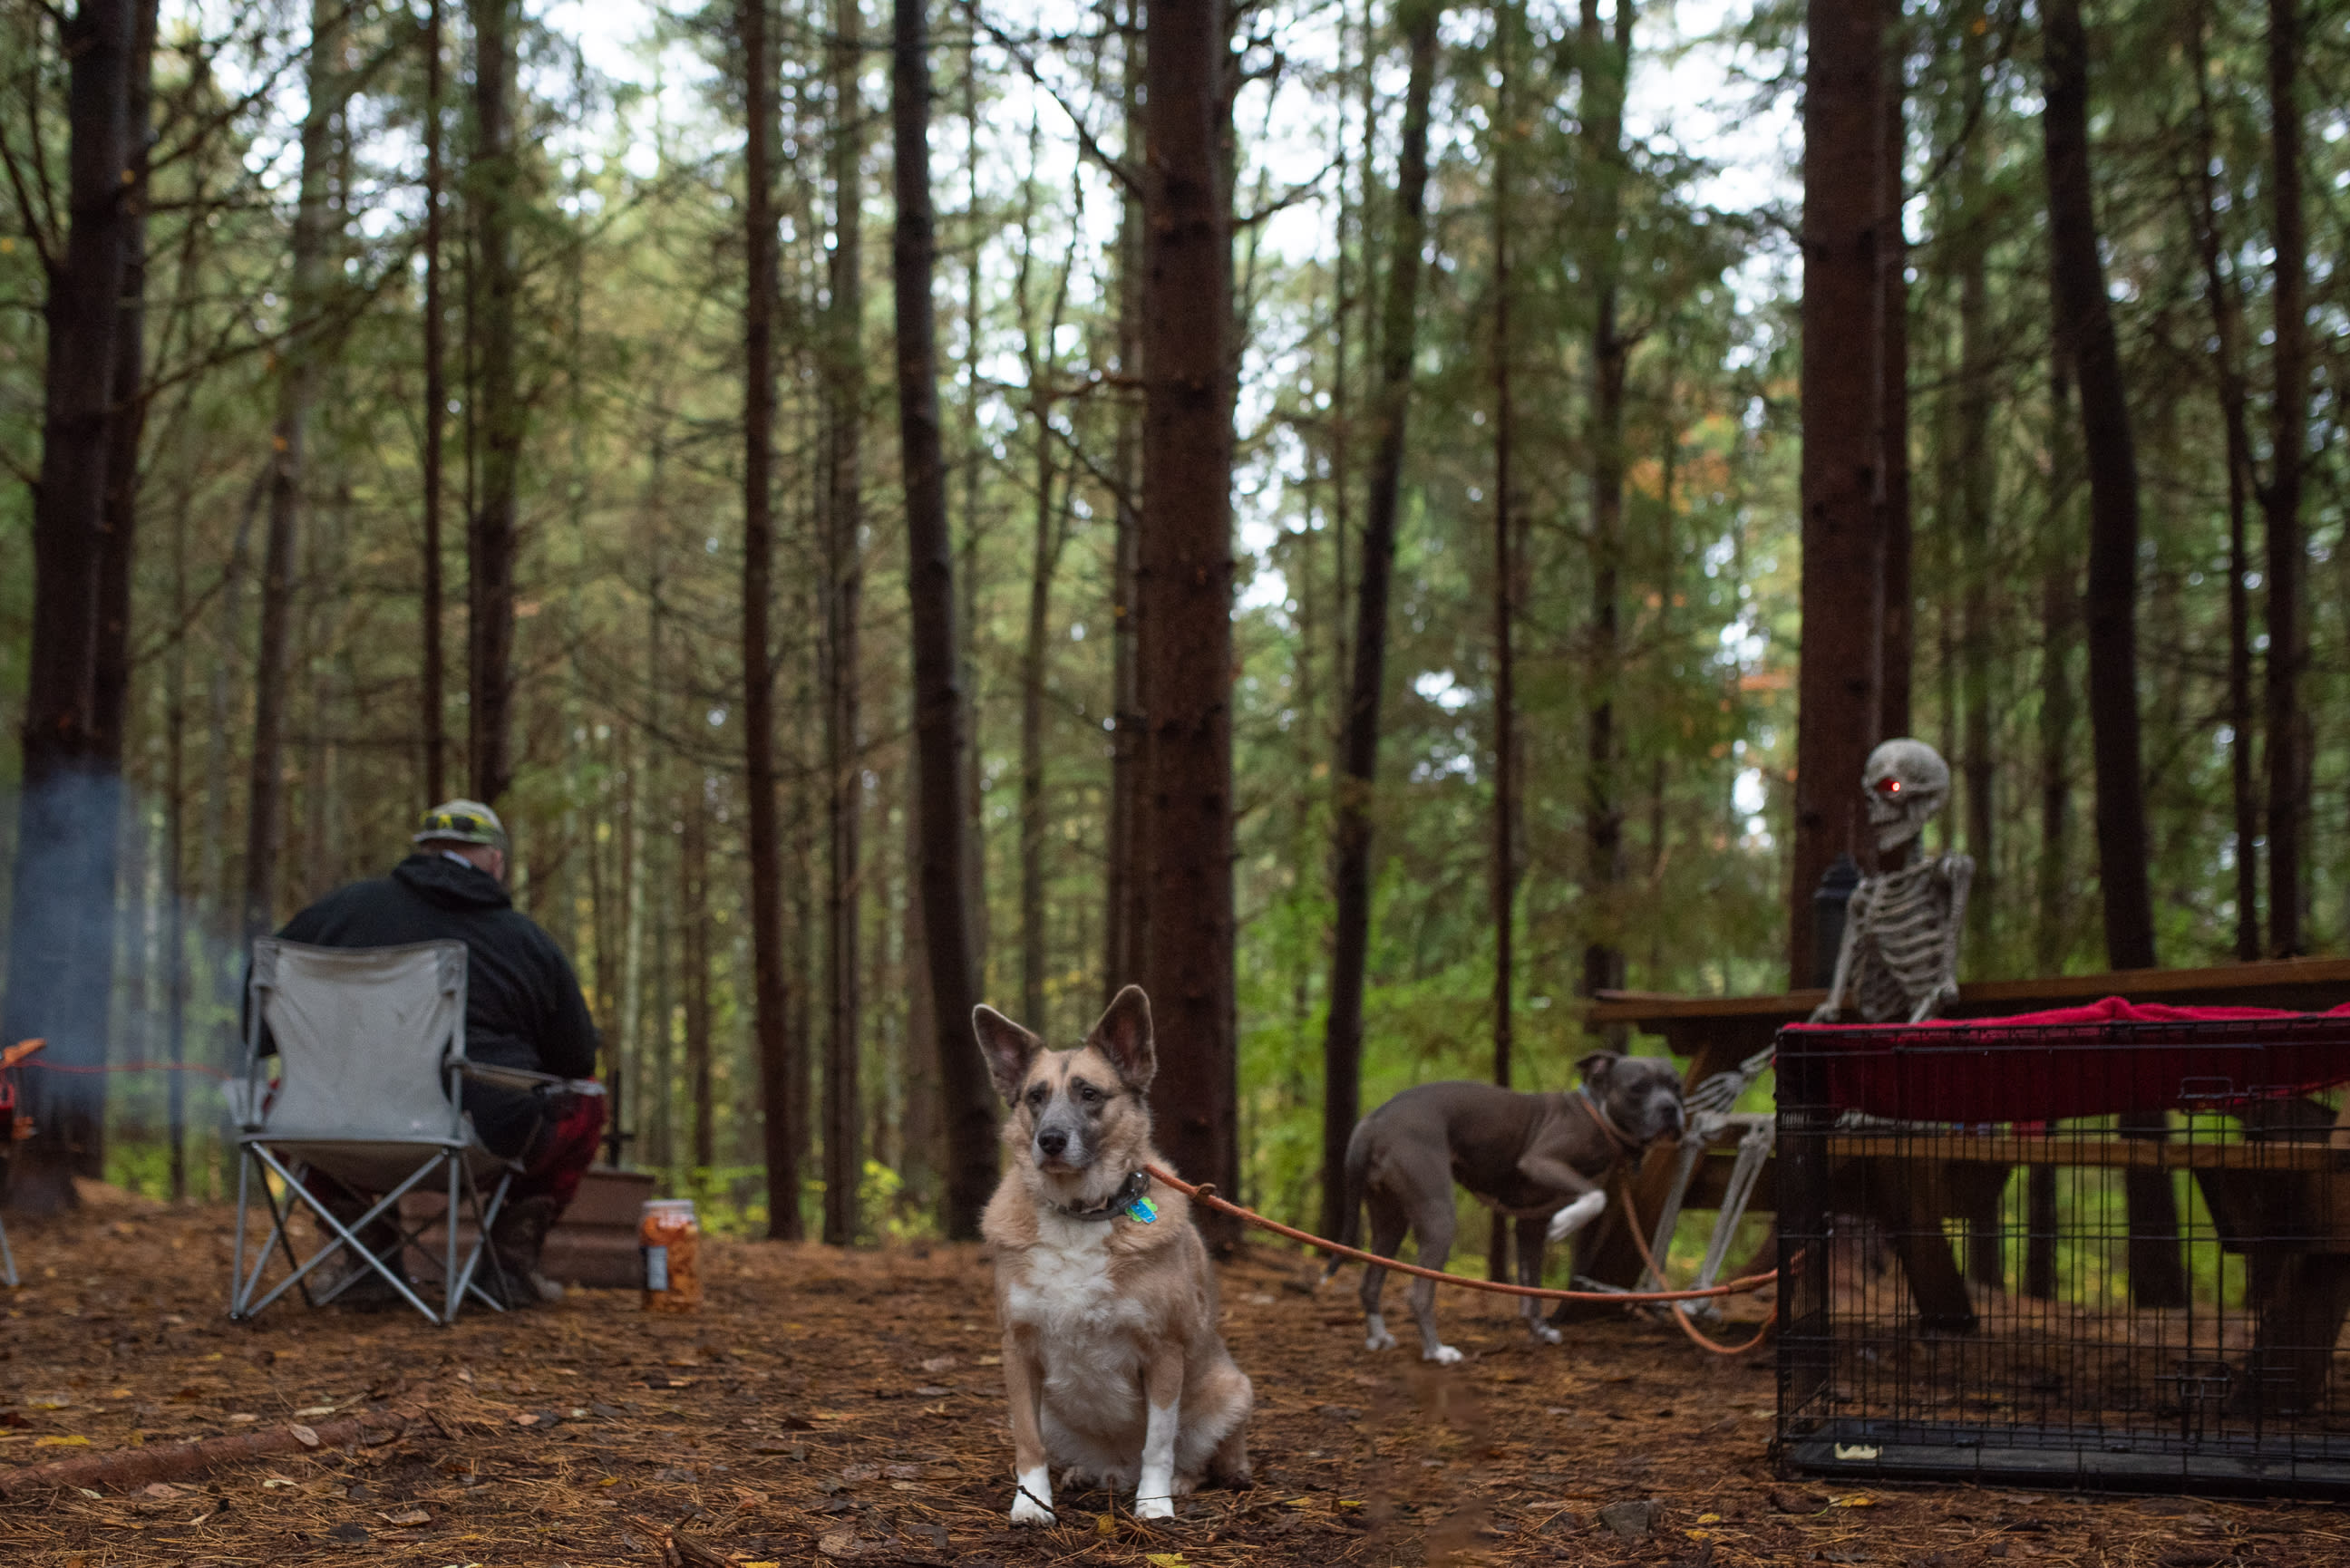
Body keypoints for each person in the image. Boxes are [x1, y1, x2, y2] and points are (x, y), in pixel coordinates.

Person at [270, 799, 603, 1306]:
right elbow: (576, 1064)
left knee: (280, 1099)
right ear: (494, 860)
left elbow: (261, 1029)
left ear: (423, 852)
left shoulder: (334, 915)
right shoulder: (527, 941)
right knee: (587, 1102)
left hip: (337, 1129)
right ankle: (507, 1268)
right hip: (478, 1136)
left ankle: (369, 1255)